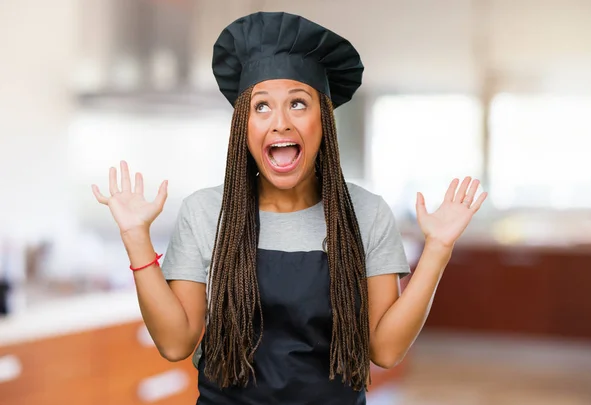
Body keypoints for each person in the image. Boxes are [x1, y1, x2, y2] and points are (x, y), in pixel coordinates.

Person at [92, 11, 487, 405]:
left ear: (324, 120)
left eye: (298, 103)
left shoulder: (366, 213)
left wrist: (437, 249)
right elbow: (176, 344)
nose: (279, 122)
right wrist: (135, 237)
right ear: (244, 126)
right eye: (261, 107)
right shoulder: (206, 212)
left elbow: (384, 351)